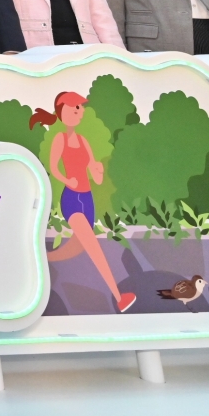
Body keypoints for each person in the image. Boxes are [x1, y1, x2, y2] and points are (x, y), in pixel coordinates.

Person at [30, 92, 136, 313]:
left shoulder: (83, 141)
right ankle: (119, 296)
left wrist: (97, 171)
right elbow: (54, 167)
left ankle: (34, 256)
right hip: (72, 199)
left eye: (80, 108)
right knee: (94, 247)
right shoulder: (60, 139)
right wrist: (68, 179)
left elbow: (95, 175)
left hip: (87, 199)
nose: (79, 111)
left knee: (73, 250)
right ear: (62, 112)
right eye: (74, 107)